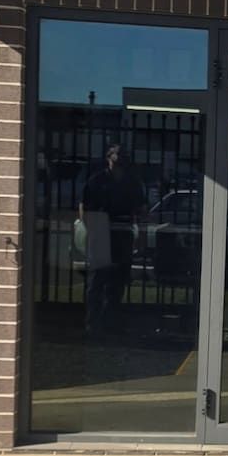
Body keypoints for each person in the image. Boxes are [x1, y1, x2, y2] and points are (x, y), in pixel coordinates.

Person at [80, 143, 147, 338]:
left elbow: (141, 211)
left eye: (123, 159)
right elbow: (84, 208)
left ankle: (112, 323)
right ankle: (93, 324)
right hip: (100, 234)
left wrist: (141, 235)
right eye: (116, 158)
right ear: (108, 159)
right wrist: (92, 230)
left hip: (122, 233)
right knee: (96, 282)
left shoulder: (132, 183)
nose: (119, 163)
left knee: (117, 282)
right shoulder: (97, 181)